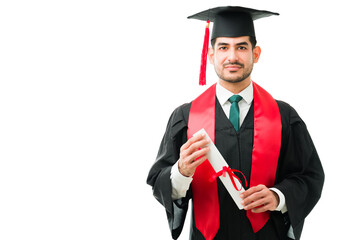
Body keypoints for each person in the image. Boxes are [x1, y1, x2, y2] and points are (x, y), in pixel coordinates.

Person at [147, 6, 324, 240]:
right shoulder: (186, 117)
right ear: (211, 55)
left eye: (241, 47)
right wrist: (181, 172)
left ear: (256, 54)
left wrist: (278, 196)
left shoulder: (283, 116)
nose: (232, 57)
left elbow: (309, 177)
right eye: (223, 47)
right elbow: (159, 181)